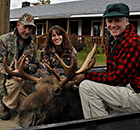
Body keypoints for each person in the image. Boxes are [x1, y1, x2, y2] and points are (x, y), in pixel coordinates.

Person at [71, 3, 140, 119]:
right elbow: (110, 74)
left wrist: (85, 76)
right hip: (126, 89)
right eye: (109, 21)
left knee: (86, 86)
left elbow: (117, 78)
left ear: (126, 21)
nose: (113, 25)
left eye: (117, 20)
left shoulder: (132, 43)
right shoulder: (113, 42)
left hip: (136, 93)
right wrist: (104, 97)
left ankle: (103, 126)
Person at [0, 13, 39, 120]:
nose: (27, 31)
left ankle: (13, 102)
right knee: (15, 83)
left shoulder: (32, 45)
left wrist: (27, 67)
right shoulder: (4, 40)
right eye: (25, 27)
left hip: (23, 82)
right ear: (18, 25)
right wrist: (11, 72)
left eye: (30, 28)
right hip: (5, 79)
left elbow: (36, 65)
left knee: (30, 109)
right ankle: (4, 104)